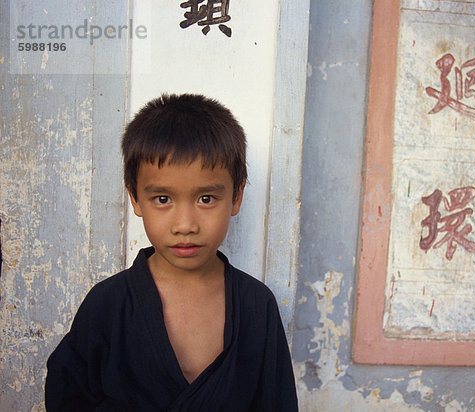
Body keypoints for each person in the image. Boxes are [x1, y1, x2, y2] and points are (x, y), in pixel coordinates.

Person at [45, 94, 298, 411]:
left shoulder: (256, 306)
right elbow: (67, 397)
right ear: (135, 199)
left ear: (236, 196)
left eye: (206, 199)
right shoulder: (107, 304)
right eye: (162, 199)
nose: (185, 225)